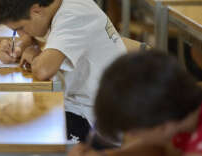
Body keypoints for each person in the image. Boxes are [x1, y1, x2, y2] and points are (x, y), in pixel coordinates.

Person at [0, 0, 126, 142]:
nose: (21, 33)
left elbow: (43, 70)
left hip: (101, 121)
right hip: (84, 106)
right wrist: (22, 46)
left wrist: (34, 55)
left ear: (36, 10)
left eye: (19, 28)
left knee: (19, 139)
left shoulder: (73, 16)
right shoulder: (59, 3)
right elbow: (41, 36)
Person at [69, 50, 202, 156]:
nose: (131, 136)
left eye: (134, 132)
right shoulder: (180, 112)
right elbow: (161, 148)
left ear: (163, 126)